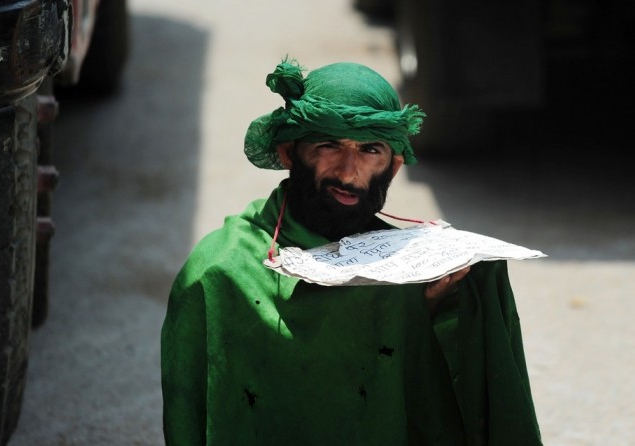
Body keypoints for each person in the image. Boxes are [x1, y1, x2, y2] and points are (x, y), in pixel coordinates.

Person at [161, 58, 542, 445]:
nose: (348, 171)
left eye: (369, 150)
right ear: (290, 152)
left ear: (392, 168)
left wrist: (431, 309)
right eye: (329, 144)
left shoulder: (409, 269)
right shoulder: (219, 272)